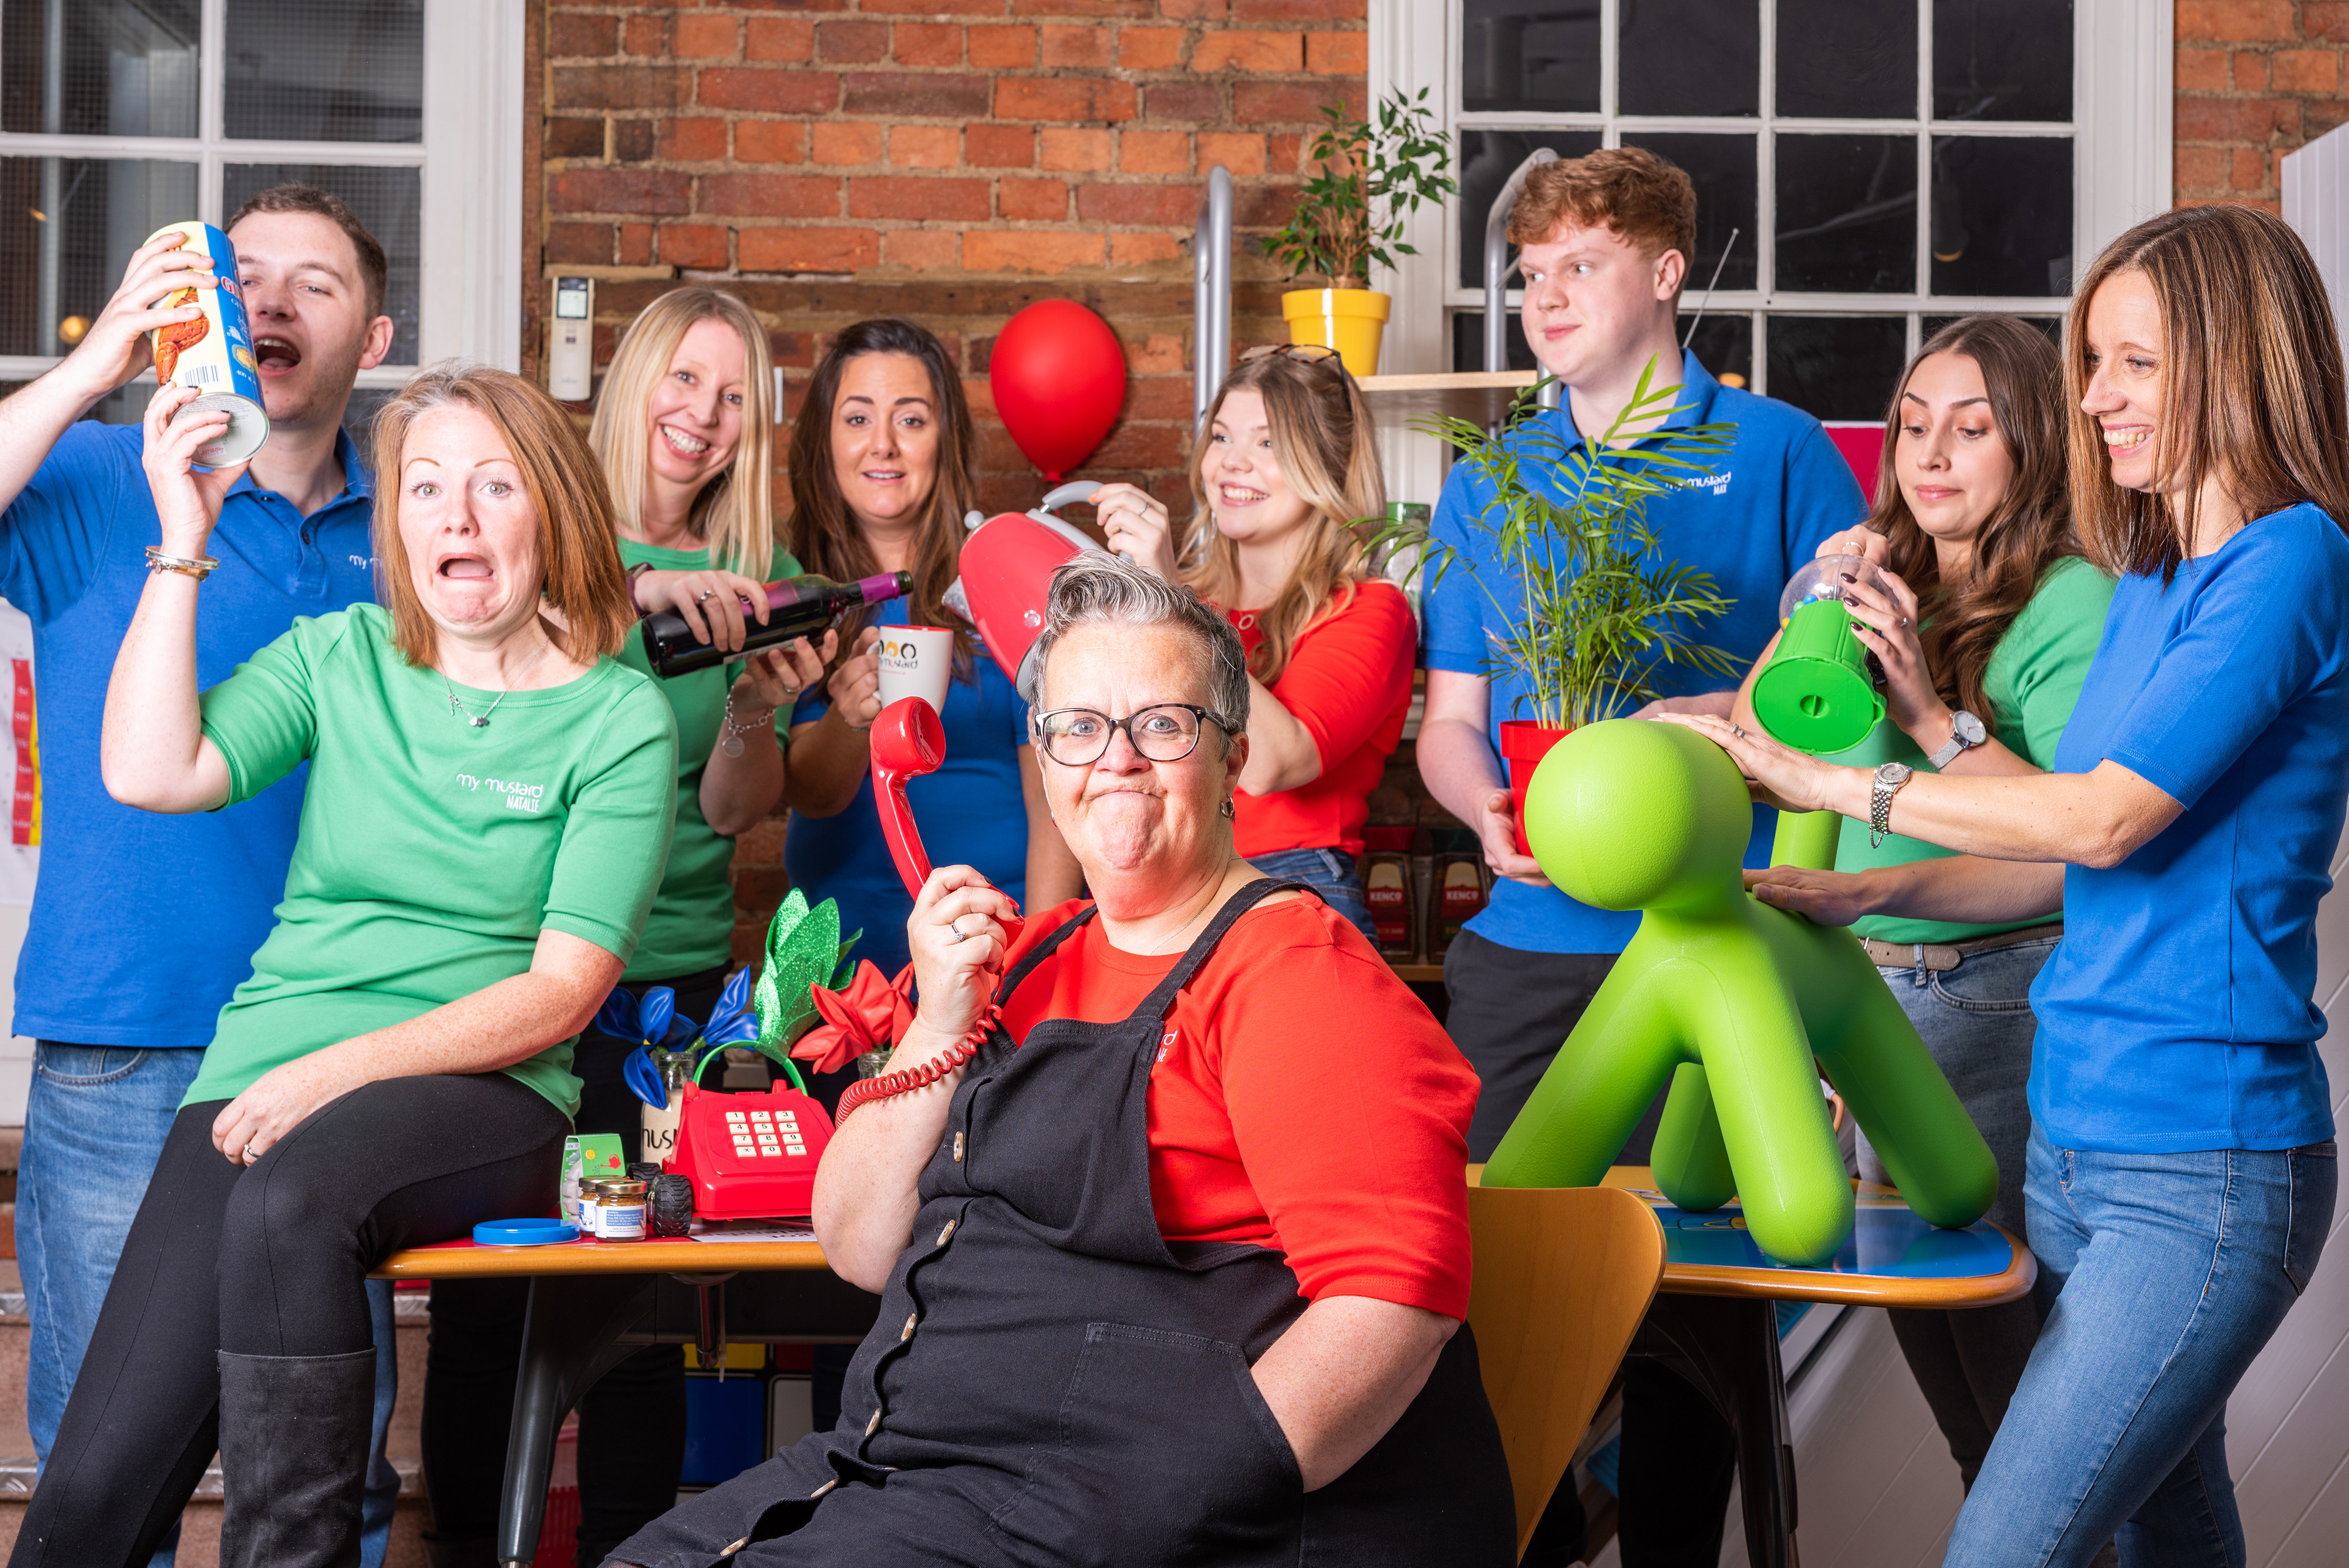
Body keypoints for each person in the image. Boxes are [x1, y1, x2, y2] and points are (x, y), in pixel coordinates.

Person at [608, 552, 1512, 1567]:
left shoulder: (1298, 970)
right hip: (910, 1475)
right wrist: (937, 1023)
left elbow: (1394, 1306)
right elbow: (860, 1242)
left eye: (1162, 724)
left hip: (1148, 1514)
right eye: (1079, 727)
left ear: (1233, 758)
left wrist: (1174, 1501)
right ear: (1043, 761)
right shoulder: (1022, 960)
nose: (1114, 758)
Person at [1675, 203, 2342, 1567]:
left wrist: (1836, 791)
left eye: (2134, 364)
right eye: (2093, 361)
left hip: (2200, 1158)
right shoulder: (2160, 577)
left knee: (2005, 1549)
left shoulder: (2292, 561)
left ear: (2236, 356)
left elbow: (2100, 820)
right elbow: (2054, 860)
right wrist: (1864, 897)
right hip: (2074, 1139)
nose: (2093, 397)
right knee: (2170, 1532)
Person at [12, 365, 676, 1568]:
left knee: (293, 1199)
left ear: (556, 512)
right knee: (93, 1492)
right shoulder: (343, 656)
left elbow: (562, 990)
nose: (454, 517)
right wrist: (180, 542)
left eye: (492, 484)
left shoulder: (616, 717)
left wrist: (336, 1074)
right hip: (263, 1079)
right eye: (424, 487)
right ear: (398, 523)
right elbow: (151, 772)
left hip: (485, 1087)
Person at [1413, 146, 1863, 1566]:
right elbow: (1449, 720)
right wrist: (1482, 810)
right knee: (1500, 1300)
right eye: (1528, 274)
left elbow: (1832, 675)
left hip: (1709, 943)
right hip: (1529, 947)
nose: (1544, 296)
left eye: (1579, 265)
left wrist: (1717, 711)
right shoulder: (1495, 479)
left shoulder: (1779, 449)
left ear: (1665, 274)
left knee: (1698, 1307)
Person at [0, 185, 406, 1565]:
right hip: (128, 1036)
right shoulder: (102, 478)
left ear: (376, 334)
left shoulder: (413, 526)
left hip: (340, 1059)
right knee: (104, 1488)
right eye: (249, 279)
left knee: (326, 1489)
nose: (275, 304)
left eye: (319, 284)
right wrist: (95, 362)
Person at [418, 288, 830, 1567]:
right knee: (496, 1300)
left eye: (731, 398)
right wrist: (634, 585)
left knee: (633, 1313)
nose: (703, 418)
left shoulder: (750, 590)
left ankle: (631, 1556)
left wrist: (759, 707)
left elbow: (729, 810)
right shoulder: (531, 530)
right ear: (636, 374)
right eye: (685, 380)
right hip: (524, 982)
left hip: (668, 997)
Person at [1724, 316, 2113, 1498]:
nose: (1930, 454)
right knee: (1962, 1411)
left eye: (1973, 428)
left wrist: (1927, 709)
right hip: (1872, 1002)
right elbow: (1761, 743)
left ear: (2033, 449)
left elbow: (2065, 851)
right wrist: (1817, 601)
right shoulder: (1884, 583)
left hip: (1996, 1004)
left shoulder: (2071, 603)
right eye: (1913, 424)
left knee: (2026, 1425)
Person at [781, 317, 1082, 986]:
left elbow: (1055, 810)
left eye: (911, 420)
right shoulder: (796, 596)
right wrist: (848, 716)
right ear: (823, 440)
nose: (883, 444)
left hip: (989, 956)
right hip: (831, 974)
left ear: (945, 439)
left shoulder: (997, 586)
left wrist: (1037, 967)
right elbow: (810, 792)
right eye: (857, 418)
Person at [1086, 344, 1416, 942]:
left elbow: (1268, 764)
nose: (1233, 464)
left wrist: (1169, 597)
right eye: (1221, 437)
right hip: (1159, 884)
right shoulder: (1175, 599)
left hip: (1290, 887)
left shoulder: (1371, 610)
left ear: (1329, 463)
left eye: (1267, 443)